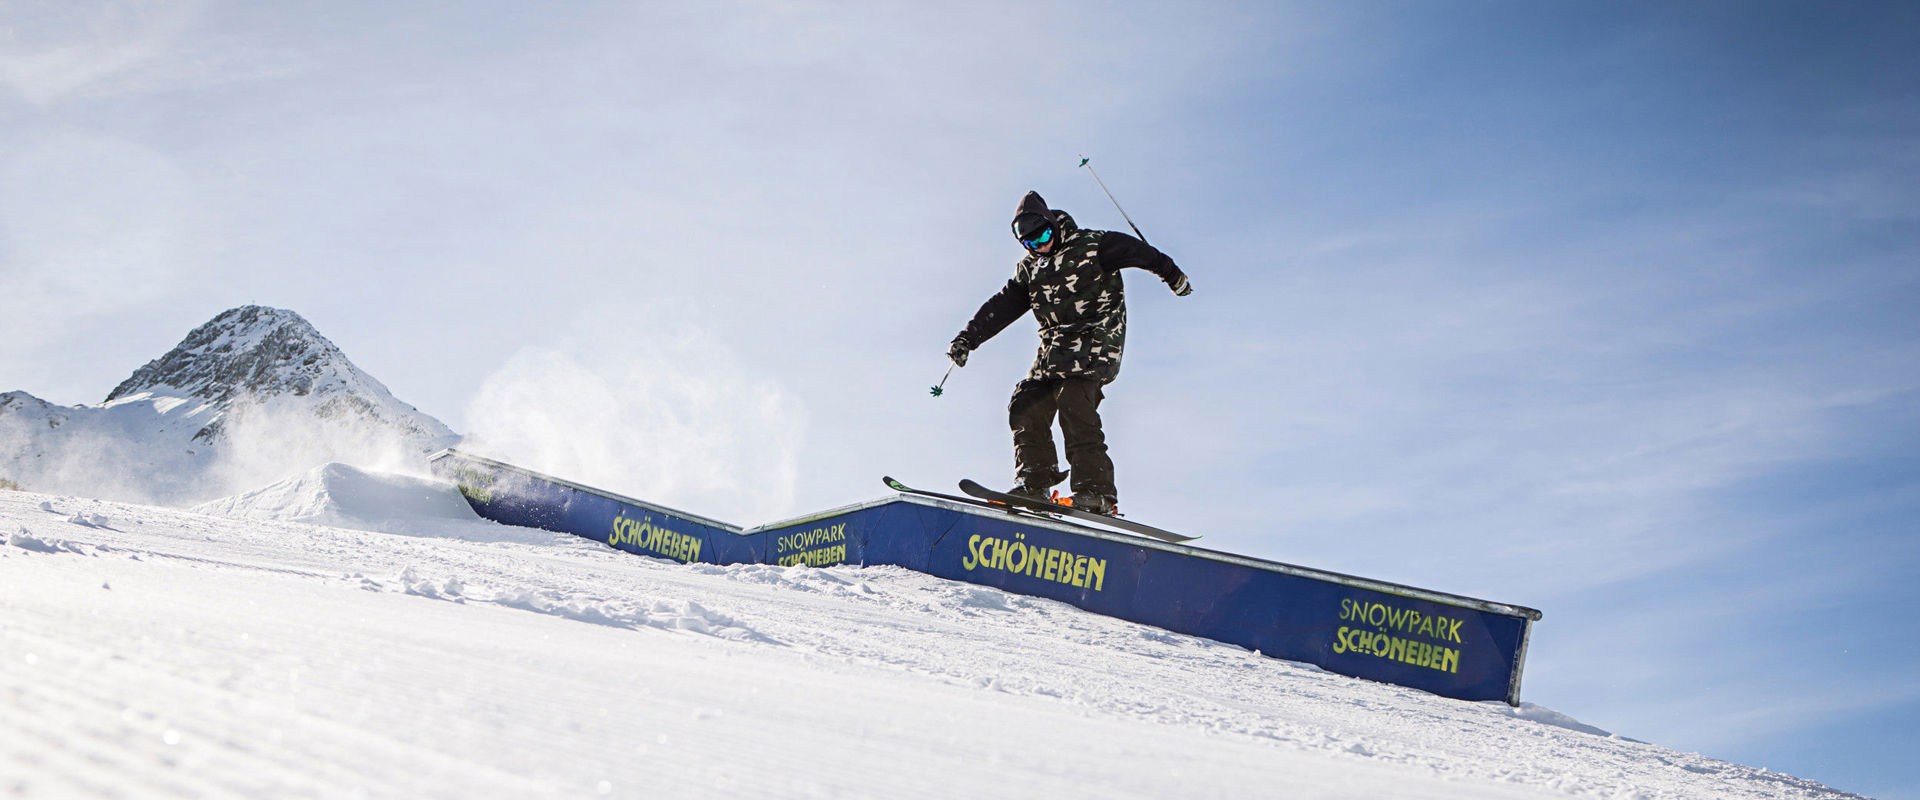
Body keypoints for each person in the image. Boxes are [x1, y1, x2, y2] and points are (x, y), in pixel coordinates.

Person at [946, 190, 1192, 515]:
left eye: (1045, 236)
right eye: (1033, 244)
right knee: (1024, 404)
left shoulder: (1094, 246)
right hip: (1053, 353)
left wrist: (1172, 275)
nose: (1042, 246)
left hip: (1096, 343)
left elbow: (1141, 253)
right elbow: (1002, 306)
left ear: (1053, 224)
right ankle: (1035, 483)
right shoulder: (1030, 270)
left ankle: (1096, 491)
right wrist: (968, 338)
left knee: (1073, 401)